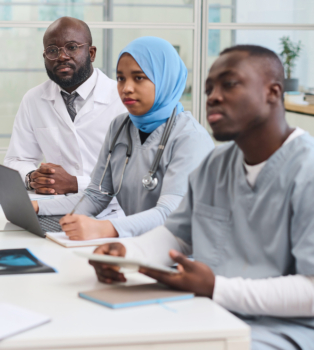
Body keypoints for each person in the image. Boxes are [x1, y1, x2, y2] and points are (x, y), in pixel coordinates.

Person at [91, 45, 314, 349]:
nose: (213, 96)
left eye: (229, 84)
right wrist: (127, 254)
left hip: (280, 331)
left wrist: (216, 288)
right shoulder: (215, 165)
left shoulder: (306, 170)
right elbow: (178, 237)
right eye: (209, 88)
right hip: (208, 313)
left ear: (273, 92)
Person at [33, 37, 214, 240]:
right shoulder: (120, 127)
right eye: (120, 78)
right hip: (137, 245)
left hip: (185, 256)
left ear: (165, 78)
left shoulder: (190, 138)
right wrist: (72, 219)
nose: (126, 88)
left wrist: (108, 229)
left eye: (138, 78)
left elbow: (169, 214)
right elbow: (96, 195)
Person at [4, 17, 127, 218]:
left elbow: (131, 178)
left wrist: (75, 183)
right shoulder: (33, 99)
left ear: (91, 53)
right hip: (54, 210)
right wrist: (32, 177)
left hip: (113, 213)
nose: (62, 56)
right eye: (52, 50)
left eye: (72, 47)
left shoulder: (122, 99)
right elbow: (16, 159)